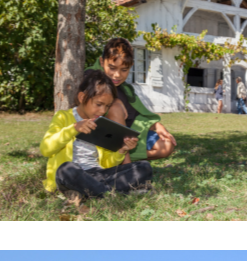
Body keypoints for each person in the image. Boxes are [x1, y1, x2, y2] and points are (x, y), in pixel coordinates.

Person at [40, 69, 153, 200]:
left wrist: (122, 150)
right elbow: (45, 149)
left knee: (143, 167)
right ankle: (111, 194)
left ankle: (94, 193)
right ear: (82, 97)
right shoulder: (63, 117)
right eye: (99, 104)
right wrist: (74, 129)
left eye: (107, 106)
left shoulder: (102, 124)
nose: (103, 110)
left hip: (97, 174)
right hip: (73, 174)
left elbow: (107, 164)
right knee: (66, 169)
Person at [98, 37, 176, 161]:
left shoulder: (125, 90)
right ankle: (127, 165)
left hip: (130, 135)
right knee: (115, 108)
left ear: (131, 66)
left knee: (167, 145)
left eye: (124, 70)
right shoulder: (94, 80)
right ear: (102, 62)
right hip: (105, 135)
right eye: (112, 68)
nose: (117, 75)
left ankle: (122, 157)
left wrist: (157, 126)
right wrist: (116, 101)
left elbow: (137, 117)